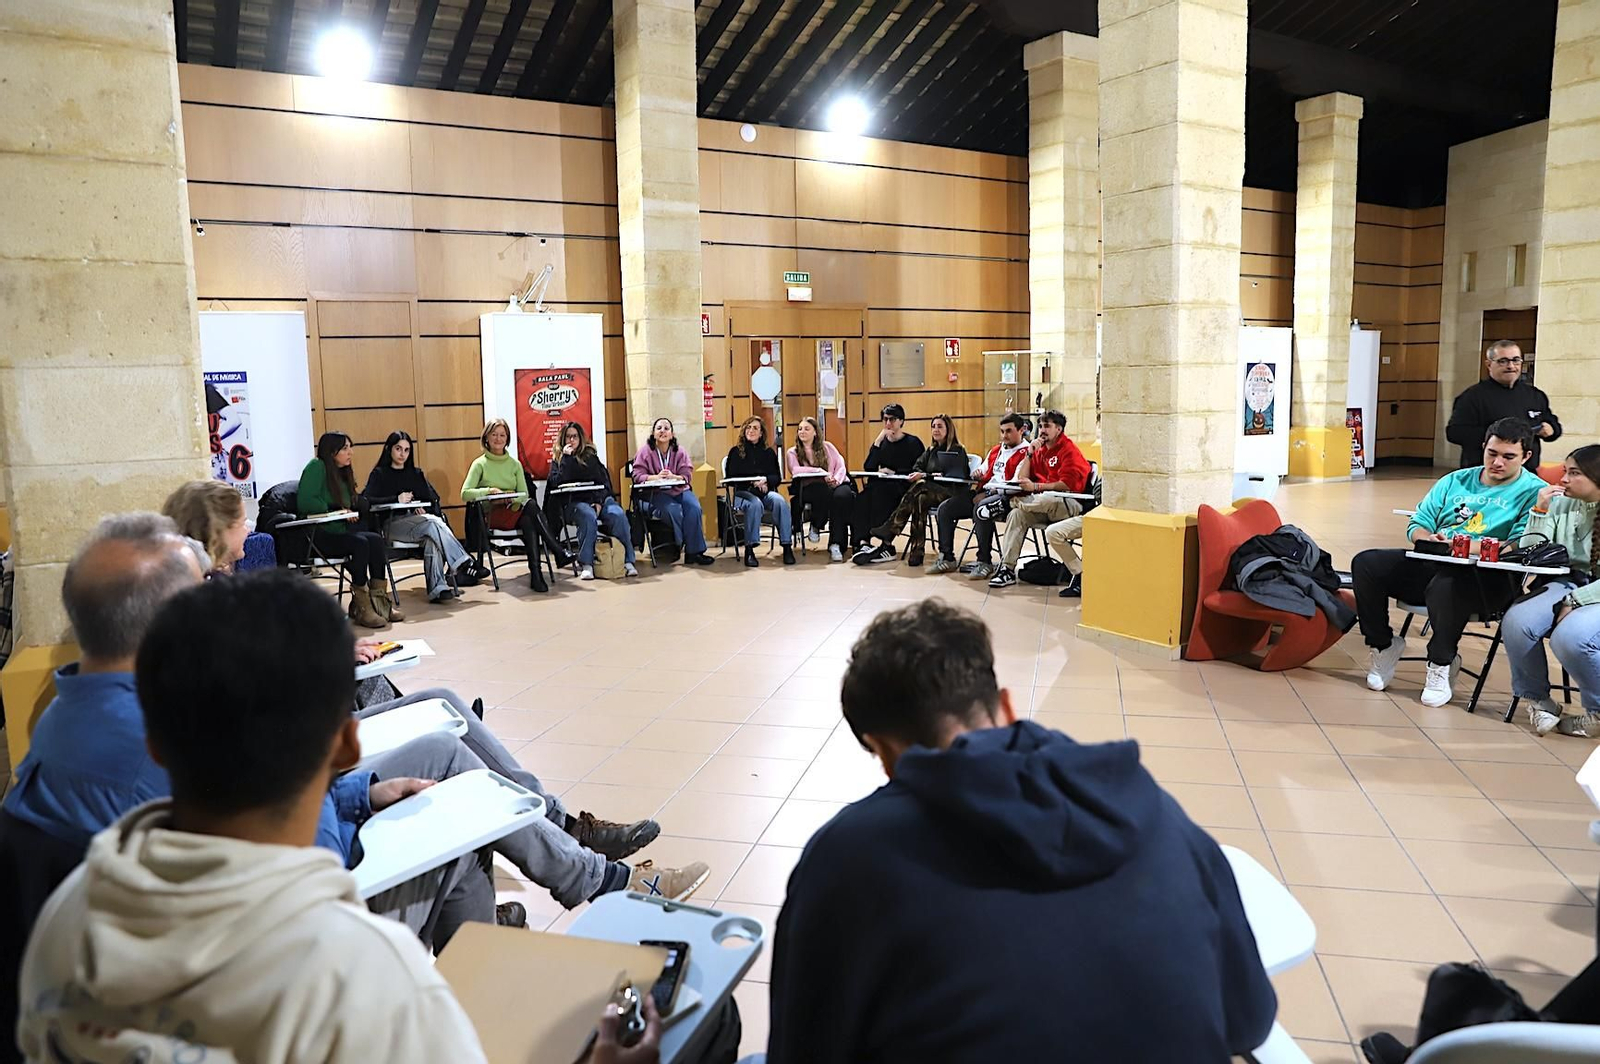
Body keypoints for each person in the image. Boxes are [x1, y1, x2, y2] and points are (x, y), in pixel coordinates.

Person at [765, 599, 1277, 1063]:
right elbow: (1249, 1022)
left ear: (883, 750)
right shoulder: (1146, 804)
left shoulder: (850, 855)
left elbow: (804, 1049)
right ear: (1007, 708)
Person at [1353, 417, 1546, 708]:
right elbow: (1418, 522)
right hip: (1436, 559)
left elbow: (1518, 544)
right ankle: (1383, 644)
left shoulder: (1534, 491)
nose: (1497, 463)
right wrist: (1427, 538)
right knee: (1367, 563)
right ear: (1483, 446)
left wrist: (1460, 546)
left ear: (1526, 457)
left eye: (1508, 457)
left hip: (1487, 577)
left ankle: (1441, 662)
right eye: (1492, 453)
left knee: (1447, 584)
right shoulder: (1456, 480)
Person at [1504, 444, 1600, 738]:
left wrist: (1575, 600)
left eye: (1575, 473)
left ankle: (1598, 711)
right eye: (1565, 471)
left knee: (1571, 637)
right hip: (1566, 580)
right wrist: (1540, 510)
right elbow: (1534, 551)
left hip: (1594, 591)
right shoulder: (1563, 503)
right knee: (1517, 621)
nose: (1564, 479)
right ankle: (1539, 701)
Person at [365, 430, 487, 602]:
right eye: (398, 449)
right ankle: (462, 562)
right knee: (432, 524)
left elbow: (431, 498)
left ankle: (438, 589)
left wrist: (420, 505)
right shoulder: (379, 474)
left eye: (406, 450)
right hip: (392, 524)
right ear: (389, 449)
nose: (402, 454)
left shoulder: (415, 474)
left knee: (432, 537)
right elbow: (367, 500)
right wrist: (395, 499)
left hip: (418, 523)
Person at [300, 431, 399, 627]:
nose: (350, 452)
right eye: (345, 448)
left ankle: (380, 603)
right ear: (332, 451)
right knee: (360, 543)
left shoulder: (342, 472)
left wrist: (349, 509)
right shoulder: (317, 466)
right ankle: (362, 606)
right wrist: (336, 510)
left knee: (375, 540)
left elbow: (346, 502)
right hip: (320, 534)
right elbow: (306, 502)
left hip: (340, 529)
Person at [988, 410, 1091, 589]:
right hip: (1041, 506)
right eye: (1041, 426)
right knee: (1017, 515)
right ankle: (1007, 569)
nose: (1042, 430)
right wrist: (1029, 453)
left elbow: (1066, 485)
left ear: (1059, 429)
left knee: (1048, 498)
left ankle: (1008, 502)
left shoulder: (1069, 450)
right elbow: (1021, 479)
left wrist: (1036, 487)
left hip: (1069, 503)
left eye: (1047, 426)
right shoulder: (1040, 450)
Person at [854, 414, 968, 568]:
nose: (936, 430)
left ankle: (891, 528)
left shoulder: (958, 450)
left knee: (921, 485)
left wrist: (928, 475)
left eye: (940, 426)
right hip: (931, 492)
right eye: (933, 426)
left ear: (949, 429)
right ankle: (916, 552)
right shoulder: (931, 450)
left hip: (951, 492)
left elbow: (960, 475)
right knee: (919, 499)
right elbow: (916, 467)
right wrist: (927, 474)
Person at [932, 413, 1029, 579]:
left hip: (1008, 497)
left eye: (1009, 431)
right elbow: (983, 470)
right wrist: (976, 473)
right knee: (945, 509)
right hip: (984, 492)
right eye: (1002, 431)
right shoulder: (996, 450)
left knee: (981, 509)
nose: (1004, 436)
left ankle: (984, 561)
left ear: (1021, 430)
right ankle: (947, 557)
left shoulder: (1027, 453)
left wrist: (990, 492)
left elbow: (1015, 484)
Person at [461, 417, 552, 593]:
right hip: (492, 515)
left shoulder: (515, 464)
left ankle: (536, 574)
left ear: (507, 438)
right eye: (494, 434)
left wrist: (510, 498)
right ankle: (553, 552)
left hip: (514, 511)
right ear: (486, 437)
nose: (498, 438)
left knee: (529, 515)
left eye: (502, 435)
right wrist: (488, 492)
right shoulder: (479, 464)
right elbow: (465, 493)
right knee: (531, 509)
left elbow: (524, 494)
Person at [1446, 340, 1562, 468]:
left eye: (1516, 360)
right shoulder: (1472, 397)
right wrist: (1498, 436)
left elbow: (1553, 426)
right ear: (1489, 364)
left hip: (1526, 472)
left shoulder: (1535, 395)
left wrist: (1551, 430)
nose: (1511, 366)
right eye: (1503, 361)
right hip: (1486, 472)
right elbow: (1454, 433)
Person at [549, 421, 638, 581]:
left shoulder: (591, 457)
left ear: (581, 438)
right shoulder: (558, 460)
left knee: (618, 514)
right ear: (563, 439)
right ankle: (587, 563)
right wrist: (567, 459)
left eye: (575, 436)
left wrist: (598, 502)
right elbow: (556, 482)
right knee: (588, 515)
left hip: (599, 499)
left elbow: (604, 483)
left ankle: (627, 560)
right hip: (574, 502)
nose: (571, 440)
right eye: (568, 437)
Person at [631, 416, 715, 566]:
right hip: (654, 493)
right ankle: (684, 544)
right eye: (659, 428)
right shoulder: (645, 451)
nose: (662, 431)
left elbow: (687, 475)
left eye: (666, 428)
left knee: (694, 508)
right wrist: (655, 477)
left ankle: (694, 553)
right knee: (673, 510)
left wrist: (674, 476)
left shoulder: (680, 451)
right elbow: (637, 475)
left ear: (672, 434)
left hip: (678, 490)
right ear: (653, 434)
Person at [851, 403, 925, 556]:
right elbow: (868, 467)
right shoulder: (882, 442)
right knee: (862, 499)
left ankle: (886, 542)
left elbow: (919, 468)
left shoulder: (913, 443)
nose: (888, 423)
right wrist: (877, 442)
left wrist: (895, 472)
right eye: (885, 419)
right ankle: (863, 542)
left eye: (892, 419)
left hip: (902, 485)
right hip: (881, 483)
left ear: (901, 421)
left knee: (884, 496)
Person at [725, 415, 795, 567]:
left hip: (764, 493)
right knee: (755, 504)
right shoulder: (735, 452)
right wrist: (753, 481)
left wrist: (766, 480)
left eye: (755, 428)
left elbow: (777, 477)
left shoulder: (768, 452)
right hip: (743, 493)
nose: (751, 431)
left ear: (761, 433)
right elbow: (731, 476)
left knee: (780, 502)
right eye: (748, 427)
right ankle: (749, 549)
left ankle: (787, 546)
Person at [786, 416, 855, 562]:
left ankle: (836, 544)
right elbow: (795, 470)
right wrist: (819, 472)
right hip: (810, 488)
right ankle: (817, 524)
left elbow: (840, 464)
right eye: (800, 429)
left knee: (842, 497)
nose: (802, 432)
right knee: (823, 492)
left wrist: (836, 479)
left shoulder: (827, 447)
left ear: (815, 432)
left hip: (835, 483)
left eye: (806, 429)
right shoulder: (793, 452)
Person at [161, 477, 249, 574]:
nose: (248, 530)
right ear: (218, 530)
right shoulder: (205, 580)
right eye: (243, 523)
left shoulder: (171, 573)